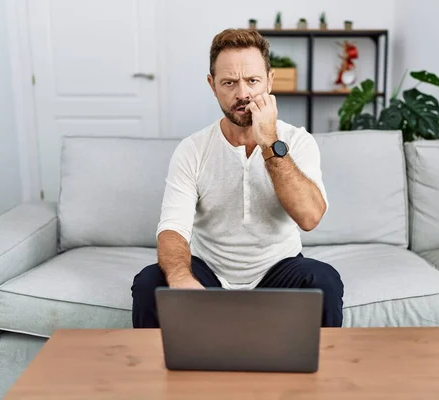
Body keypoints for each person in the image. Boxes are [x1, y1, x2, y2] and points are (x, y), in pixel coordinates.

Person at [131, 28, 344, 328]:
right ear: (212, 85)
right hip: (209, 272)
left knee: (325, 281)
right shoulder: (192, 149)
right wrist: (180, 278)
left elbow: (309, 218)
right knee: (148, 283)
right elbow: (172, 229)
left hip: (278, 270)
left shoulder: (297, 142)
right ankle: (161, 374)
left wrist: (269, 142)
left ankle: (314, 375)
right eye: (229, 82)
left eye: (253, 81)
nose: (242, 94)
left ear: (270, 81)